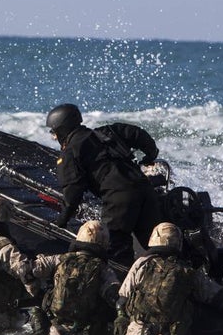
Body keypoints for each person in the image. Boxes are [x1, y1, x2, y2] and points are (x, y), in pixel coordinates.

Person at [45, 103, 164, 267]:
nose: (54, 137)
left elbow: (73, 190)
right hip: (144, 187)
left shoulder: (70, 152)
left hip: (119, 198)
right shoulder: (106, 132)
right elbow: (138, 134)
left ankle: (120, 285)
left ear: (62, 129)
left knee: (115, 245)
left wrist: (62, 220)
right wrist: (150, 155)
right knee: (156, 242)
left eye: (53, 132)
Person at [117, 222, 223, 335]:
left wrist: (121, 321)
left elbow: (122, 298)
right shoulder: (187, 271)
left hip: (136, 332)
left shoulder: (141, 264)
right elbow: (214, 295)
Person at [31, 220, 122, 335]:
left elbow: (30, 270)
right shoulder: (103, 269)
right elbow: (114, 295)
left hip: (54, 331)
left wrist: (34, 291)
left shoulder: (59, 259)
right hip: (84, 334)